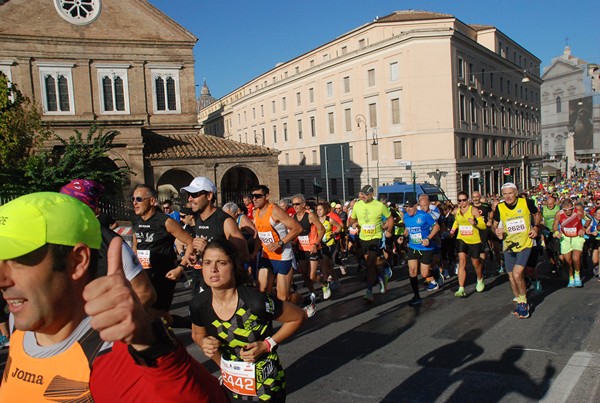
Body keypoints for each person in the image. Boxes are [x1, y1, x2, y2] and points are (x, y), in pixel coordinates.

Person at [0, 192, 228, 401]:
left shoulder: (110, 356)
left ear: (77, 261)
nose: (2, 279)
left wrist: (153, 345)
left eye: (19, 260)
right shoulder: (20, 325)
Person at [190, 240, 305, 401]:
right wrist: (204, 343)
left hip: (266, 385)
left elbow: (298, 316)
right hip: (231, 384)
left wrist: (267, 345)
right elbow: (197, 334)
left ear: (233, 266)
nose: (213, 269)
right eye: (207, 262)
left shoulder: (255, 301)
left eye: (221, 263)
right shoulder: (199, 303)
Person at [60, 179, 156, 308]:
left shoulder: (113, 244)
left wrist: (106, 322)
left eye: (72, 205)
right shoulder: (51, 240)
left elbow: (144, 293)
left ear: (91, 211)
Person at [132, 184, 194, 320]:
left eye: (139, 199)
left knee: (151, 316)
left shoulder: (165, 221)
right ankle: (189, 328)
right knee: (161, 318)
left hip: (163, 276)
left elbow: (190, 242)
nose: (134, 203)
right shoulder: (136, 221)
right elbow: (135, 245)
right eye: (133, 199)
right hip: (144, 275)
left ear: (152, 201)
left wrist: (180, 267)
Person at [181, 177, 250, 295]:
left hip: (227, 286)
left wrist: (208, 249)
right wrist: (197, 256)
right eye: (189, 195)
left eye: (195, 194)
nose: (190, 198)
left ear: (209, 196)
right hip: (207, 280)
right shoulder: (198, 220)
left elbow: (243, 255)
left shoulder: (225, 221)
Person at [250, 185, 306, 312]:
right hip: (266, 256)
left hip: (283, 256)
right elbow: (260, 235)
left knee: (283, 297)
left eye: (258, 196)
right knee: (262, 290)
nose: (254, 199)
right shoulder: (256, 212)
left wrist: (280, 243)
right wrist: (254, 252)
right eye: (253, 196)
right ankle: (268, 317)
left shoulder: (275, 210)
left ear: (266, 196)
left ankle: (305, 300)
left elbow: (297, 228)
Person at [493, 183, 541, 319]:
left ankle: (524, 302)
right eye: (505, 194)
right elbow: (494, 225)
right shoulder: (500, 207)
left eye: (510, 193)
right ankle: (520, 300)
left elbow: (537, 214)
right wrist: (497, 232)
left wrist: (536, 227)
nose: (508, 196)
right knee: (511, 277)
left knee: (517, 272)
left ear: (516, 193)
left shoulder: (525, 202)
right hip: (508, 245)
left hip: (525, 243)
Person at [348, 185, 393, 302]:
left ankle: (369, 291)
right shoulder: (357, 205)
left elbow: (390, 218)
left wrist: (388, 231)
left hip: (375, 237)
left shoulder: (379, 206)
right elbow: (351, 219)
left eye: (366, 194)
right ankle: (382, 277)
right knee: (372, 264)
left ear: (372, 194)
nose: (363, 196)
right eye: (362, 194)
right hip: (363, 238)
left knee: (369, 263)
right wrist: (353, 223)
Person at [402, 197, 441, 306]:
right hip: (413, 247)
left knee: (424, 274)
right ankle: (416, 296)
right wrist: (403, 236)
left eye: (410, 207)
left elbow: (436, 227)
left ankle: (434, 272)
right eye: (406, 207)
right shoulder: (405, 216)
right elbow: (407, 229)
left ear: (415, 206)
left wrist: (428, 238)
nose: (408, 209)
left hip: (425, 248)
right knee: (412, 272)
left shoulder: (424, 216)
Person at [450, 191, 487, 297]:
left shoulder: (474, 210)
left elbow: (483, 226)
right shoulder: (456, 211)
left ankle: (479, 278)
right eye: (459, 200)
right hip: (461, 238)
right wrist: (453, 230)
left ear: (468, 200)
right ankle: (461, 288)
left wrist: (475, 223)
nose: (462, 202)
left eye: (464, 200)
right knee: (462, 261)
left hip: (474, 239)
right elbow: (457, 221)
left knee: (475, 262)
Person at [292, 194, 325, 303]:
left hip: (312, 248)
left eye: (297, 204)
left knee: (312, 276)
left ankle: (324, 283)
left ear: (304, 204)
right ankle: (313, 293)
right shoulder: (294, 217)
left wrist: (316, 244)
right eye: (293, 204)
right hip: (301, 249)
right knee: (304, 275)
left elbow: (322, 229)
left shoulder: (310, 215)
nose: (295, 206)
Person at [553, 198, 589, 287]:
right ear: (562, 208)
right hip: (565, 238)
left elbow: (589, 219)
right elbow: (555, 225)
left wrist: (583, 228)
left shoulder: (578, 212)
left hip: (577, 237)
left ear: (572, 207)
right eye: (565, 210)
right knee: (567, 261)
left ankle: (577, 275)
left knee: (576, 258)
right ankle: (571, 278)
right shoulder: (559, 214)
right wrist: (557, 232)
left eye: (570, 209)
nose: (568, 212)